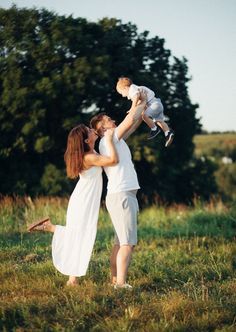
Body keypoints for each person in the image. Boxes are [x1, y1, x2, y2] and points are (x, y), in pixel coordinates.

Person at [27, 124, 118, 287]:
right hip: (83, 202)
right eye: (89, 131)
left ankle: (49, 228)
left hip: (84, 199)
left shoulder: (90, 153)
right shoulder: (89, 157)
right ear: (86, 140)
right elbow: (112, 160)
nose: (92, 130)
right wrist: (110, 139)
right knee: (81, 235)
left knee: (80, 234)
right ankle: (72, 279)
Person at [90, 92, 147, 289]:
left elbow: (132, 123)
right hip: (122, 194)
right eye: (108, 120)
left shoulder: (113, 139)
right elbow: (129, 118)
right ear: (102, 127)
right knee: (127, 243)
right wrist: (140, 100)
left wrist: (141, 111)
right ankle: (120, 284)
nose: (112, 120)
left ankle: (115, 280)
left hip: (119, 195)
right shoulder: (109, 137)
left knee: (119, 242)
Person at [116, 76, 174, 146]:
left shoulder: (132, 89)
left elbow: (136, 97)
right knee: (159, 121)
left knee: (145, 116)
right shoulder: (137, 88)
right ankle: (168, 133)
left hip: (154, 104)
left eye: (121, 93)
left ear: (125, 88)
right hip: (158, 104)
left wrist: (132, 108)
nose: (122, 95)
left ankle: (154, 129)